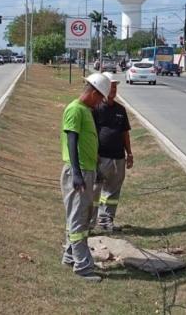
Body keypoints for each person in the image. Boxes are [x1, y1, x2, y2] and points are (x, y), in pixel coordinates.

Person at [60, 72, 111, 282]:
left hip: (87, 169)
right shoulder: (75, 109)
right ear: (92, 92)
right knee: (78, 219)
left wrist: (96, 169)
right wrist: (77, 174)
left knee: (80, 215)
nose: (100, 102)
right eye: (99, 97)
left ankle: (70, 256)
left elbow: (88, 143)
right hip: (78, 171)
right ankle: (83, 266)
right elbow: (72, 141)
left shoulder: (86, 110)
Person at [91, 72, 133, 232]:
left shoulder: (120, 110)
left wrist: (129, 153)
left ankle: (106, 220)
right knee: (95, 191)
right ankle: (89, 223)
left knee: (113, 191)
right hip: (100, 158)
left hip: (118, 158)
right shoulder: (95, 109)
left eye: (115, 86)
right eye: (111, 86)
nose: (114, 89)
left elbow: (125, 133)